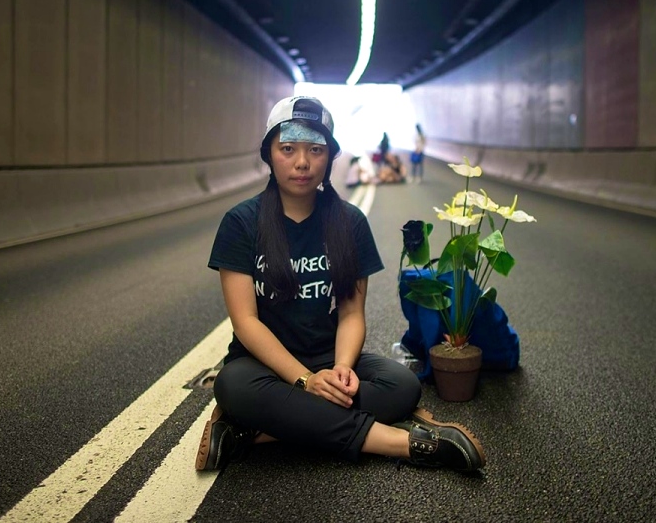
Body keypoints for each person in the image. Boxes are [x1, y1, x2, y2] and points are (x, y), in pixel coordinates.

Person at [195, 96, 485, 473]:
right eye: (288, 149)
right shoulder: (242, 222)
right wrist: (304, 380)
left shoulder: (350, 223)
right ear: (269, 154)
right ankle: (404, 443)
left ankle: (250, 433)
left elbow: (350, 313)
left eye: (315, 150)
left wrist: (343, 369)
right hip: (263, 366)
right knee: (233, 387)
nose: (302, 162)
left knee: (401, 386)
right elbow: (246, 321)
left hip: (329, 356)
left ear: (330, 156)